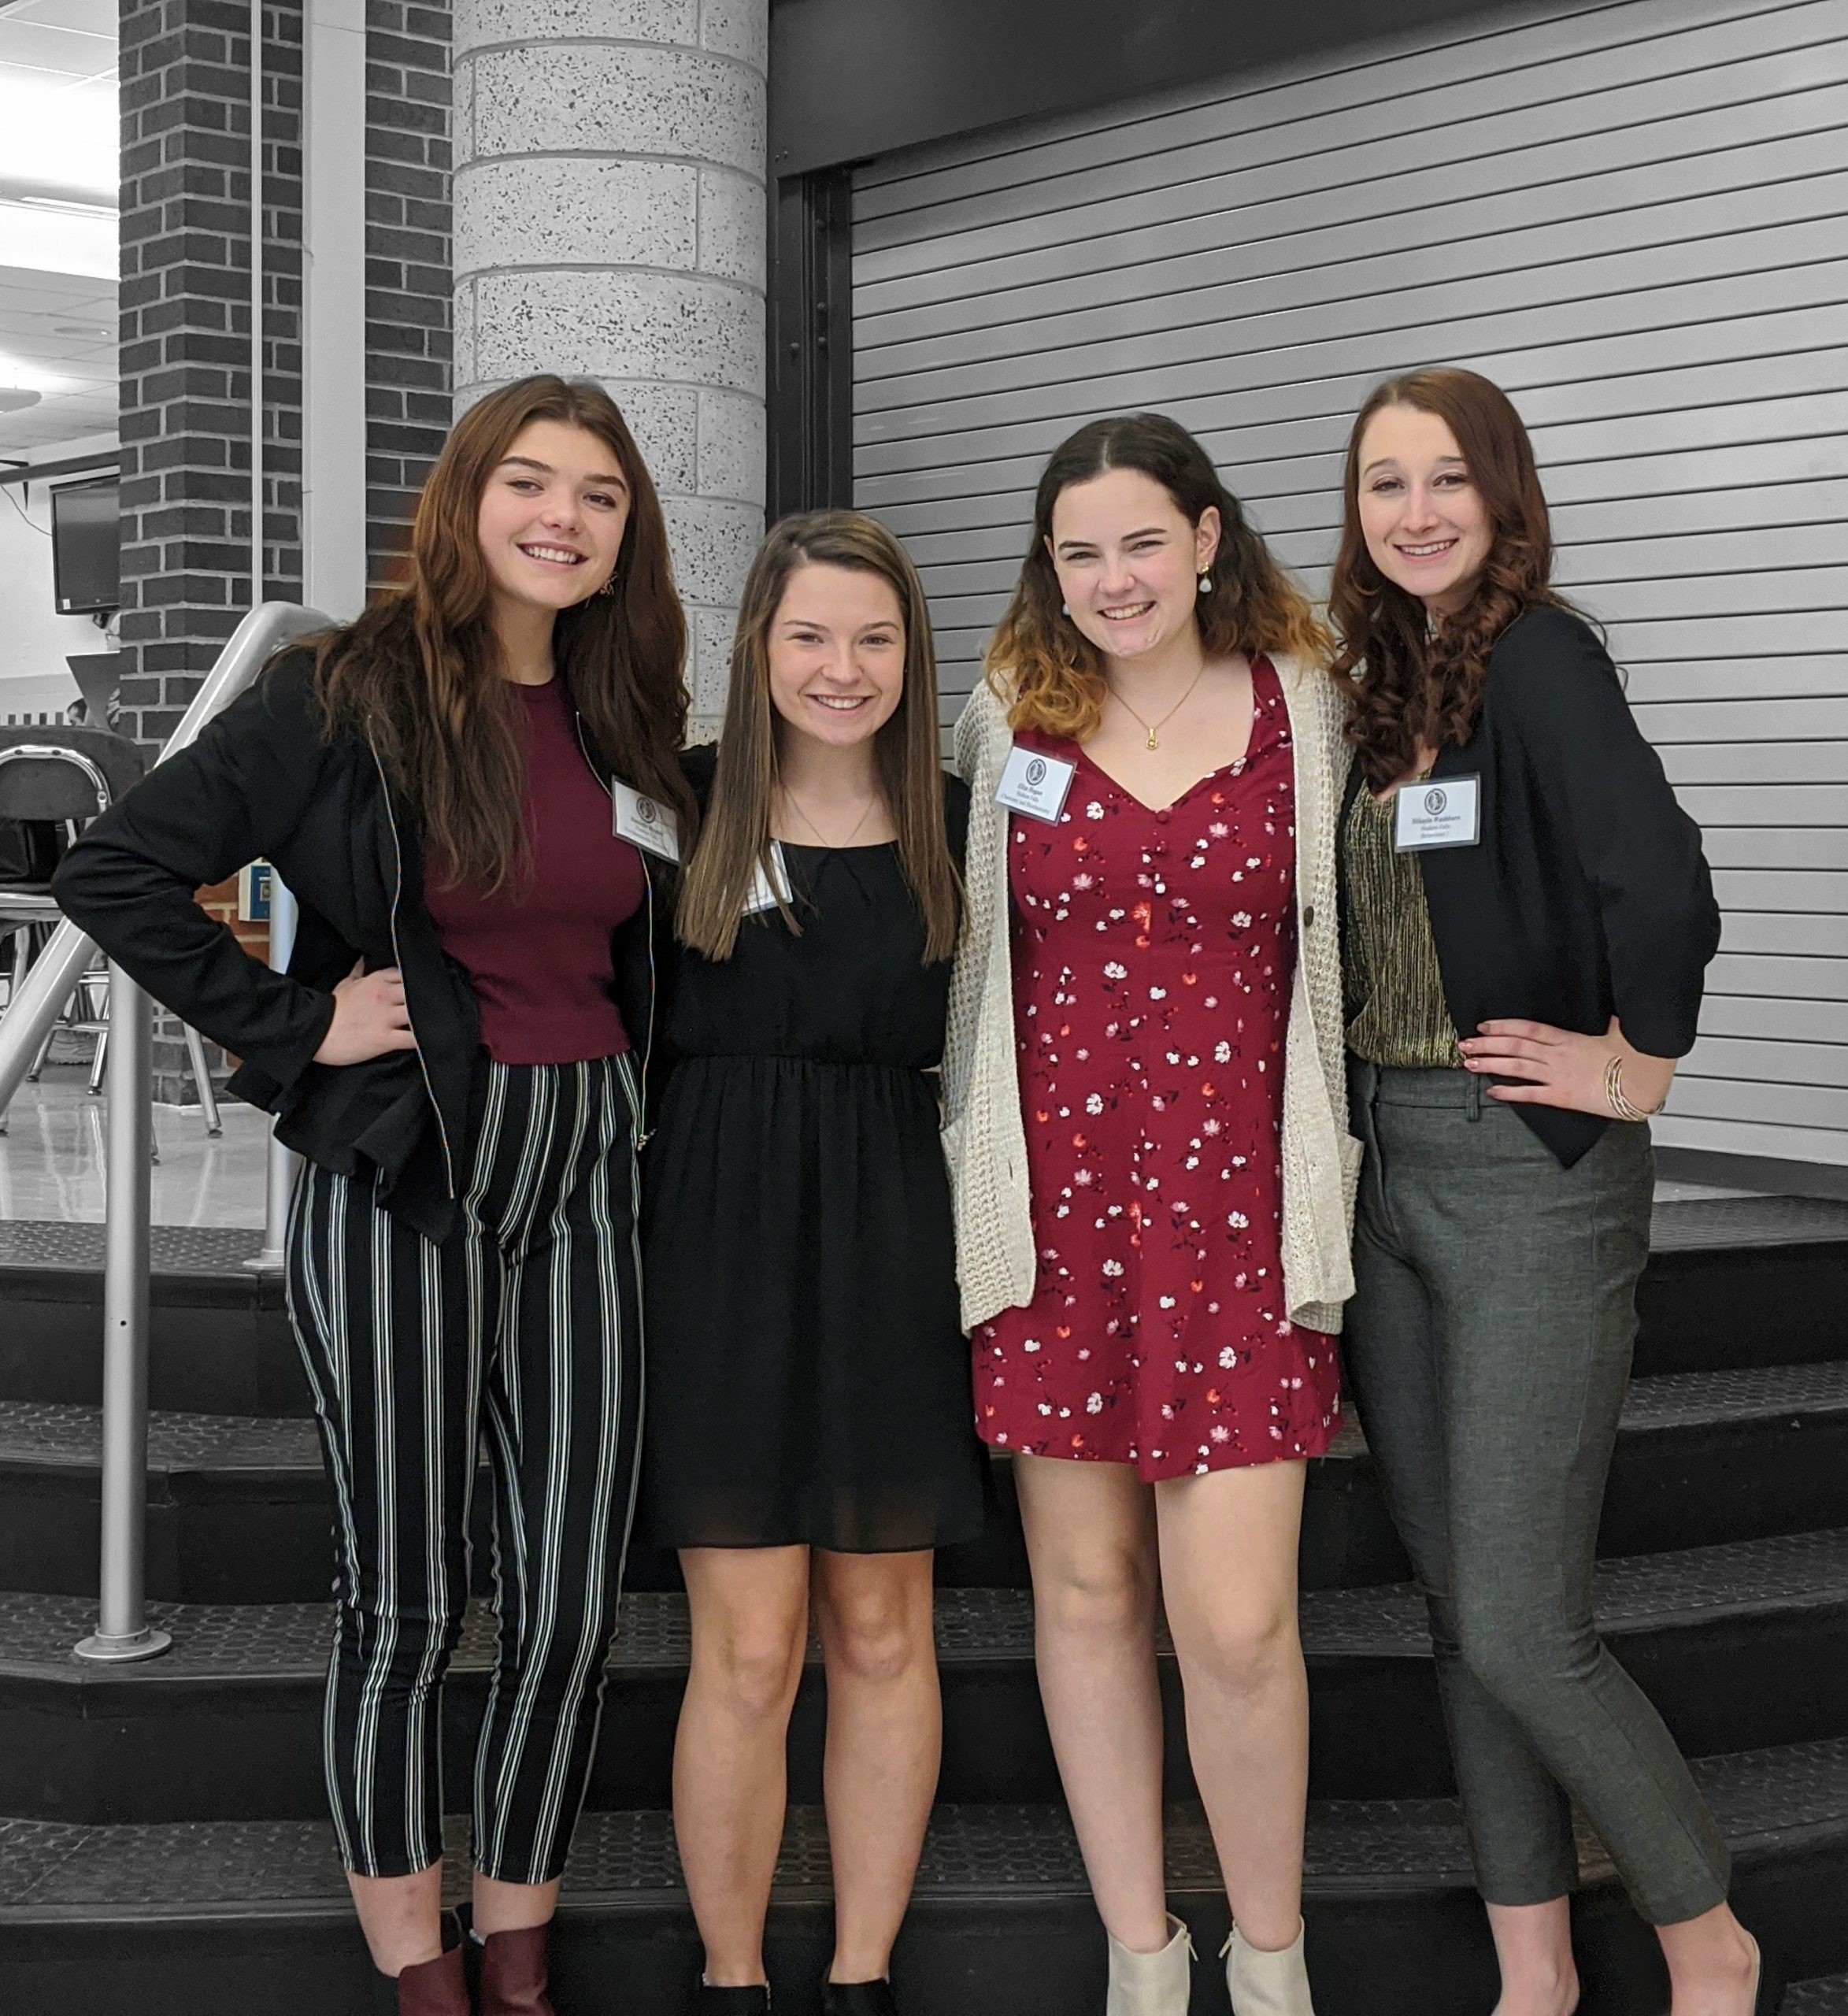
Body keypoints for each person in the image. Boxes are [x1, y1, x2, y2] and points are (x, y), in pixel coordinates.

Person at [51, 374, 694, 2016]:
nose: (562, 516)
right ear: (465, 499)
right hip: (408, 1169)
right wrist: (295, 1018)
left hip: (587, 1173)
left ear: (630, 532)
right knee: (409, 1597)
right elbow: (115, 864)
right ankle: (425, 1973)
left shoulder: (628, 711)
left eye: (599, 494)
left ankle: (522, 1945)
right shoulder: (340, 690)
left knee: (564, 1600)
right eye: (529, 482)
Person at [1328, 367, 1775, 2016]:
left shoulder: (1539, 654)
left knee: (1522, 1617)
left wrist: (1638, 1061)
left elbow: (1659, 872)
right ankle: (1533, 1966)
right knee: (1461, 1609)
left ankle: (1701, 1934)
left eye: (1448, 477)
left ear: (1503, 495)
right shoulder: (1389, 685)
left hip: (1526, 1171)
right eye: (1384, 482)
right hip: (1387, 1166)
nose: (1417, 510)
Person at [941, 413, 1359, 2016]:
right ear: (1048, 570)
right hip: (1054, 1221)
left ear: (1204, 538)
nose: (1112, 578)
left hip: (1244, 1215)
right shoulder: (1007, 715)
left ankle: (1271, 1954)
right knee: (1091, 1592)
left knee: (1241, 1619)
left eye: (1139, 540)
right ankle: (1142, 1949)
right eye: (1076, 551)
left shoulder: (1301, 709)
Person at [639, 510, 988, 2016]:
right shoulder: (679, 808)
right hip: (711, 1249)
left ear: (912, 657)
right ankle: (730, 1978)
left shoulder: (968, 823)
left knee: (879, 1624)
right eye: (808, 636)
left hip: (894, 1245)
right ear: (755, 650)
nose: (842, 670)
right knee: (750, 1645)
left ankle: (859, 1973)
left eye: (874, 638)